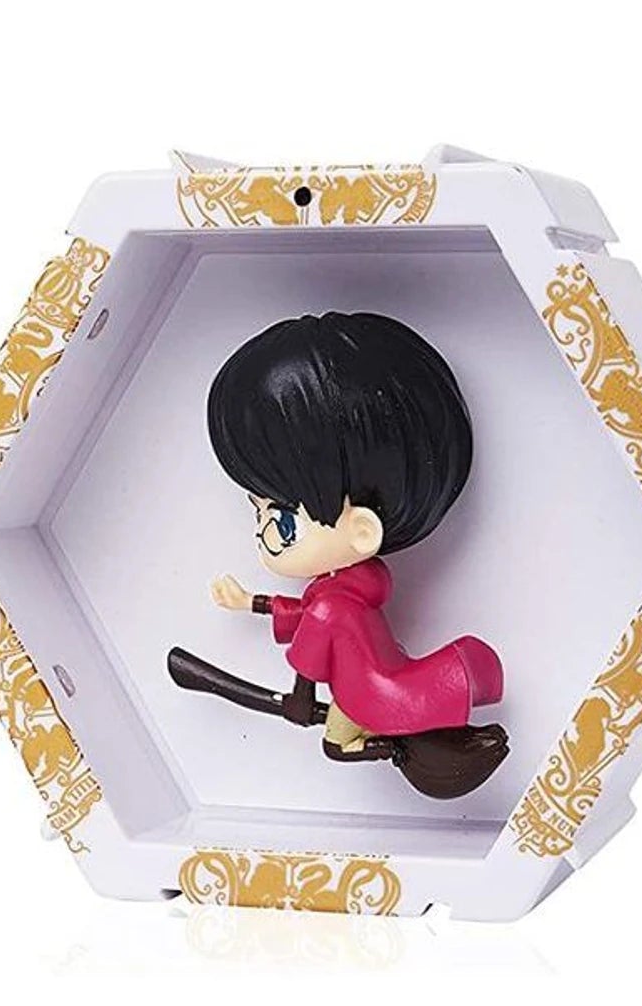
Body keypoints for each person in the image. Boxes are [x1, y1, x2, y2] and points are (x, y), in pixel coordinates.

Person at [201, 310, 503, 756]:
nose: (262, 539)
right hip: (371, 682)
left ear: (362, 531)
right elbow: (304, 613)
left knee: (336, 746)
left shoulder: (335, 604)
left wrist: (301, 699)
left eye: (282, 522)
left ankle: (389, 750)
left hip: (367, 694)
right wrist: (250, 602)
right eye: (259, 514)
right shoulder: (348, 592)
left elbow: (309, 655)